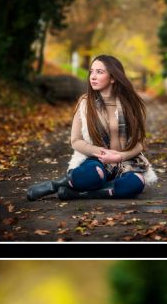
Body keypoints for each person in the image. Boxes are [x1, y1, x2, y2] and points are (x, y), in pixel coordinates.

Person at [26, 55, 157, 201]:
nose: (93, 77)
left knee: (136, 182)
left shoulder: (130, 105)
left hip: (126, 162)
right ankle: (54, 186)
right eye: (92, 72)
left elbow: (139, 143)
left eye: (99, 72)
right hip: (97, 160)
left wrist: (120, 156)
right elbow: (75, 141)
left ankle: (79, 194)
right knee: (94, 173)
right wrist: (103, 154)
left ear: (113, 78)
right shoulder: (85, 103)